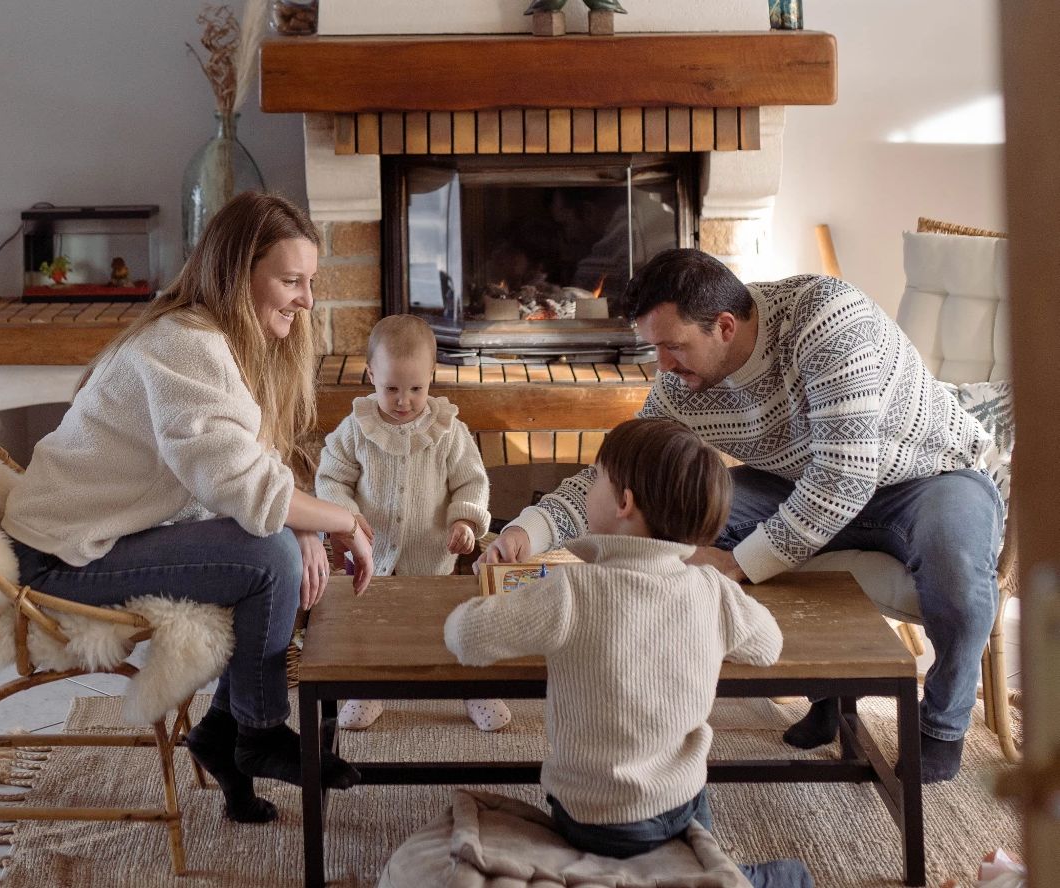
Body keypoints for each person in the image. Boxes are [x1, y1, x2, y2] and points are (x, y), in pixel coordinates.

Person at [481, 248, 1002, 783]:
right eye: (654, 347)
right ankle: (827, 686)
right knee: (682, 520)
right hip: (795, 484)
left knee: (958, 569)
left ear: (724, 326)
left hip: (929, 479)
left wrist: (738, 562)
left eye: (671, 346)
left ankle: (941, 725)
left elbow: (844, 480)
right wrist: (531, 526)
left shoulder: (825, 318)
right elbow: (621, 479)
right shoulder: (682, 387)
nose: (661, 365)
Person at [1, 191, 375, 824]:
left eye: (310, 282)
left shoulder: (215, 340)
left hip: (100, 539)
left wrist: (307, 530)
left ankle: (222, 731)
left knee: (279, 545)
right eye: (291, 281)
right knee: (268, 555)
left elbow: (246, 460)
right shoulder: (184, 344)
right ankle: (257, 731)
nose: (307, 300)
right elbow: (240, 486)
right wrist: (343, 521)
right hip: (61, 558)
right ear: (238, 272)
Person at [446, 418, 788, 870]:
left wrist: (513, 594)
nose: (588, 492)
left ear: (624, 502)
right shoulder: (713, 590)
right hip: (683, 800)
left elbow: (464, 636)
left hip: (595, 817)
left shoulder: (571, 590)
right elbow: (769, 645)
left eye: (596, 480)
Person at [315, 314, 510, 732]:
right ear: (371, 375)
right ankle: (368, 690)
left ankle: (473, 688)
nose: (404, 401)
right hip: (372, 558)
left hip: (432, 560)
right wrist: (347, 519)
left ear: (432, 377)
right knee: (370, 632)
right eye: (391, 389)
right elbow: (331, 477)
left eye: (416, 389)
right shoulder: (356, 429)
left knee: (450, 628)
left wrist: (465, 522)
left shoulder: (448, 431)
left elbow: (471, 482)